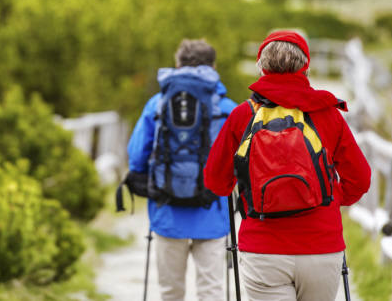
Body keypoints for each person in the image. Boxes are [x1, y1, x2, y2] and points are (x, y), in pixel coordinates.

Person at [203, 30, 371, 301]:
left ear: (261, 66)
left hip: (262, 249)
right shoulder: (327, 113)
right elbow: (360, 179)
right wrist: (330, 197)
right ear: (305, 66)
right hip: (322, 245)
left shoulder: (243, 114)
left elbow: (215, 181)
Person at [127, 39, 238, 301]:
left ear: (177, 65)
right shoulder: (226, 109)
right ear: (214, 67)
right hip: (213, 210)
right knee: (211, 290)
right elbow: (243, 161)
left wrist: (143, 177)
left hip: (167, 211)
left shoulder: (157, 104)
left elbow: (136, 155)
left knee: (171, 291)